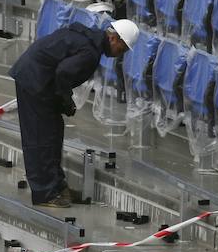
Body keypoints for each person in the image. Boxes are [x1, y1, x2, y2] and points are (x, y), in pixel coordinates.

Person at [9, 18, 139, 208]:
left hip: (40, 81)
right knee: (40, 137)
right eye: (123, 49)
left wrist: (61, 100)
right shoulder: (90, 52)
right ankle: (45, 193)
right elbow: (63, 72)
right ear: (114, 39)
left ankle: (57, 187)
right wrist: (66, 101)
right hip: (34, 81)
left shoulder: (89, 40)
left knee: (53, 132)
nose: (120, 54)